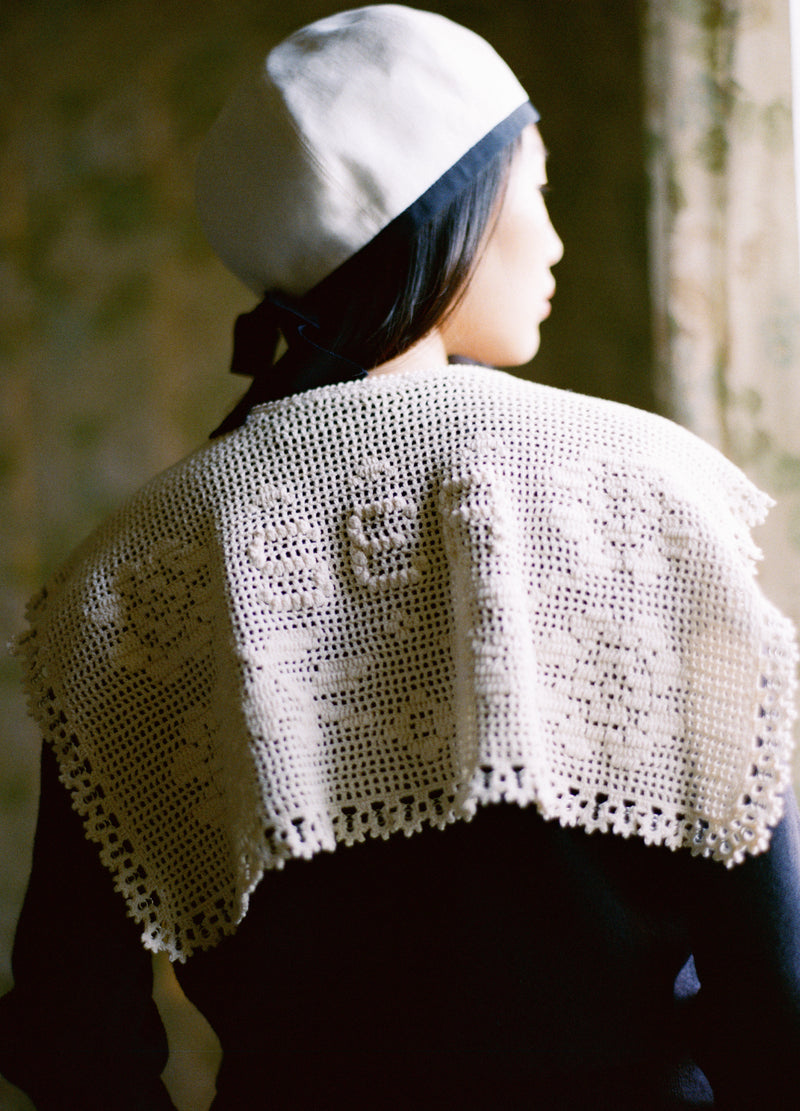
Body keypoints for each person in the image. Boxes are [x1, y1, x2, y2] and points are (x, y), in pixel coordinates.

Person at [1, 5, 798, 1108]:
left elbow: (68, 1027)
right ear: (449, 211)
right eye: (537, 187)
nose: (556, 241)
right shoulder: (644, 490)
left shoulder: (124, 577)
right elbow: (774, 982)